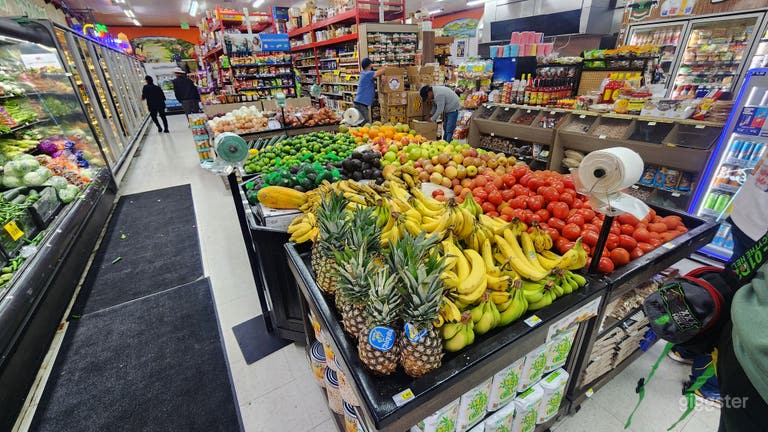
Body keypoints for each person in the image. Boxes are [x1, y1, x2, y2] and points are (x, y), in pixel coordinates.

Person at [354, 58, 384, 125]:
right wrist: (384, 67)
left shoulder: (364, 74)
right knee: (366, 124)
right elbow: (381, 71)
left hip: (359, 102)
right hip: (361, 104)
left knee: (361, 123)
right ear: (369, 65)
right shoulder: (367, 74)